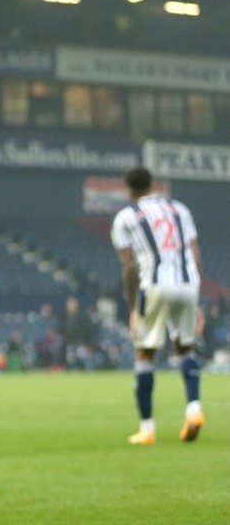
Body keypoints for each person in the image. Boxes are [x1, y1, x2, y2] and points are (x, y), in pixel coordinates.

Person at [111, 166, 204, 445]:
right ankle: (194, 409)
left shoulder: (127, 217)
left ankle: (147, 428)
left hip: (155, 283)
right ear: (153, 185)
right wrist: (195, 295)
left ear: (129, 189)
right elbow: (195, 253)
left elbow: (129, 267)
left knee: (145, 353)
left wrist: (132, 309)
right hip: (188, 282)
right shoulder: (180, 209)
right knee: (184, 347)